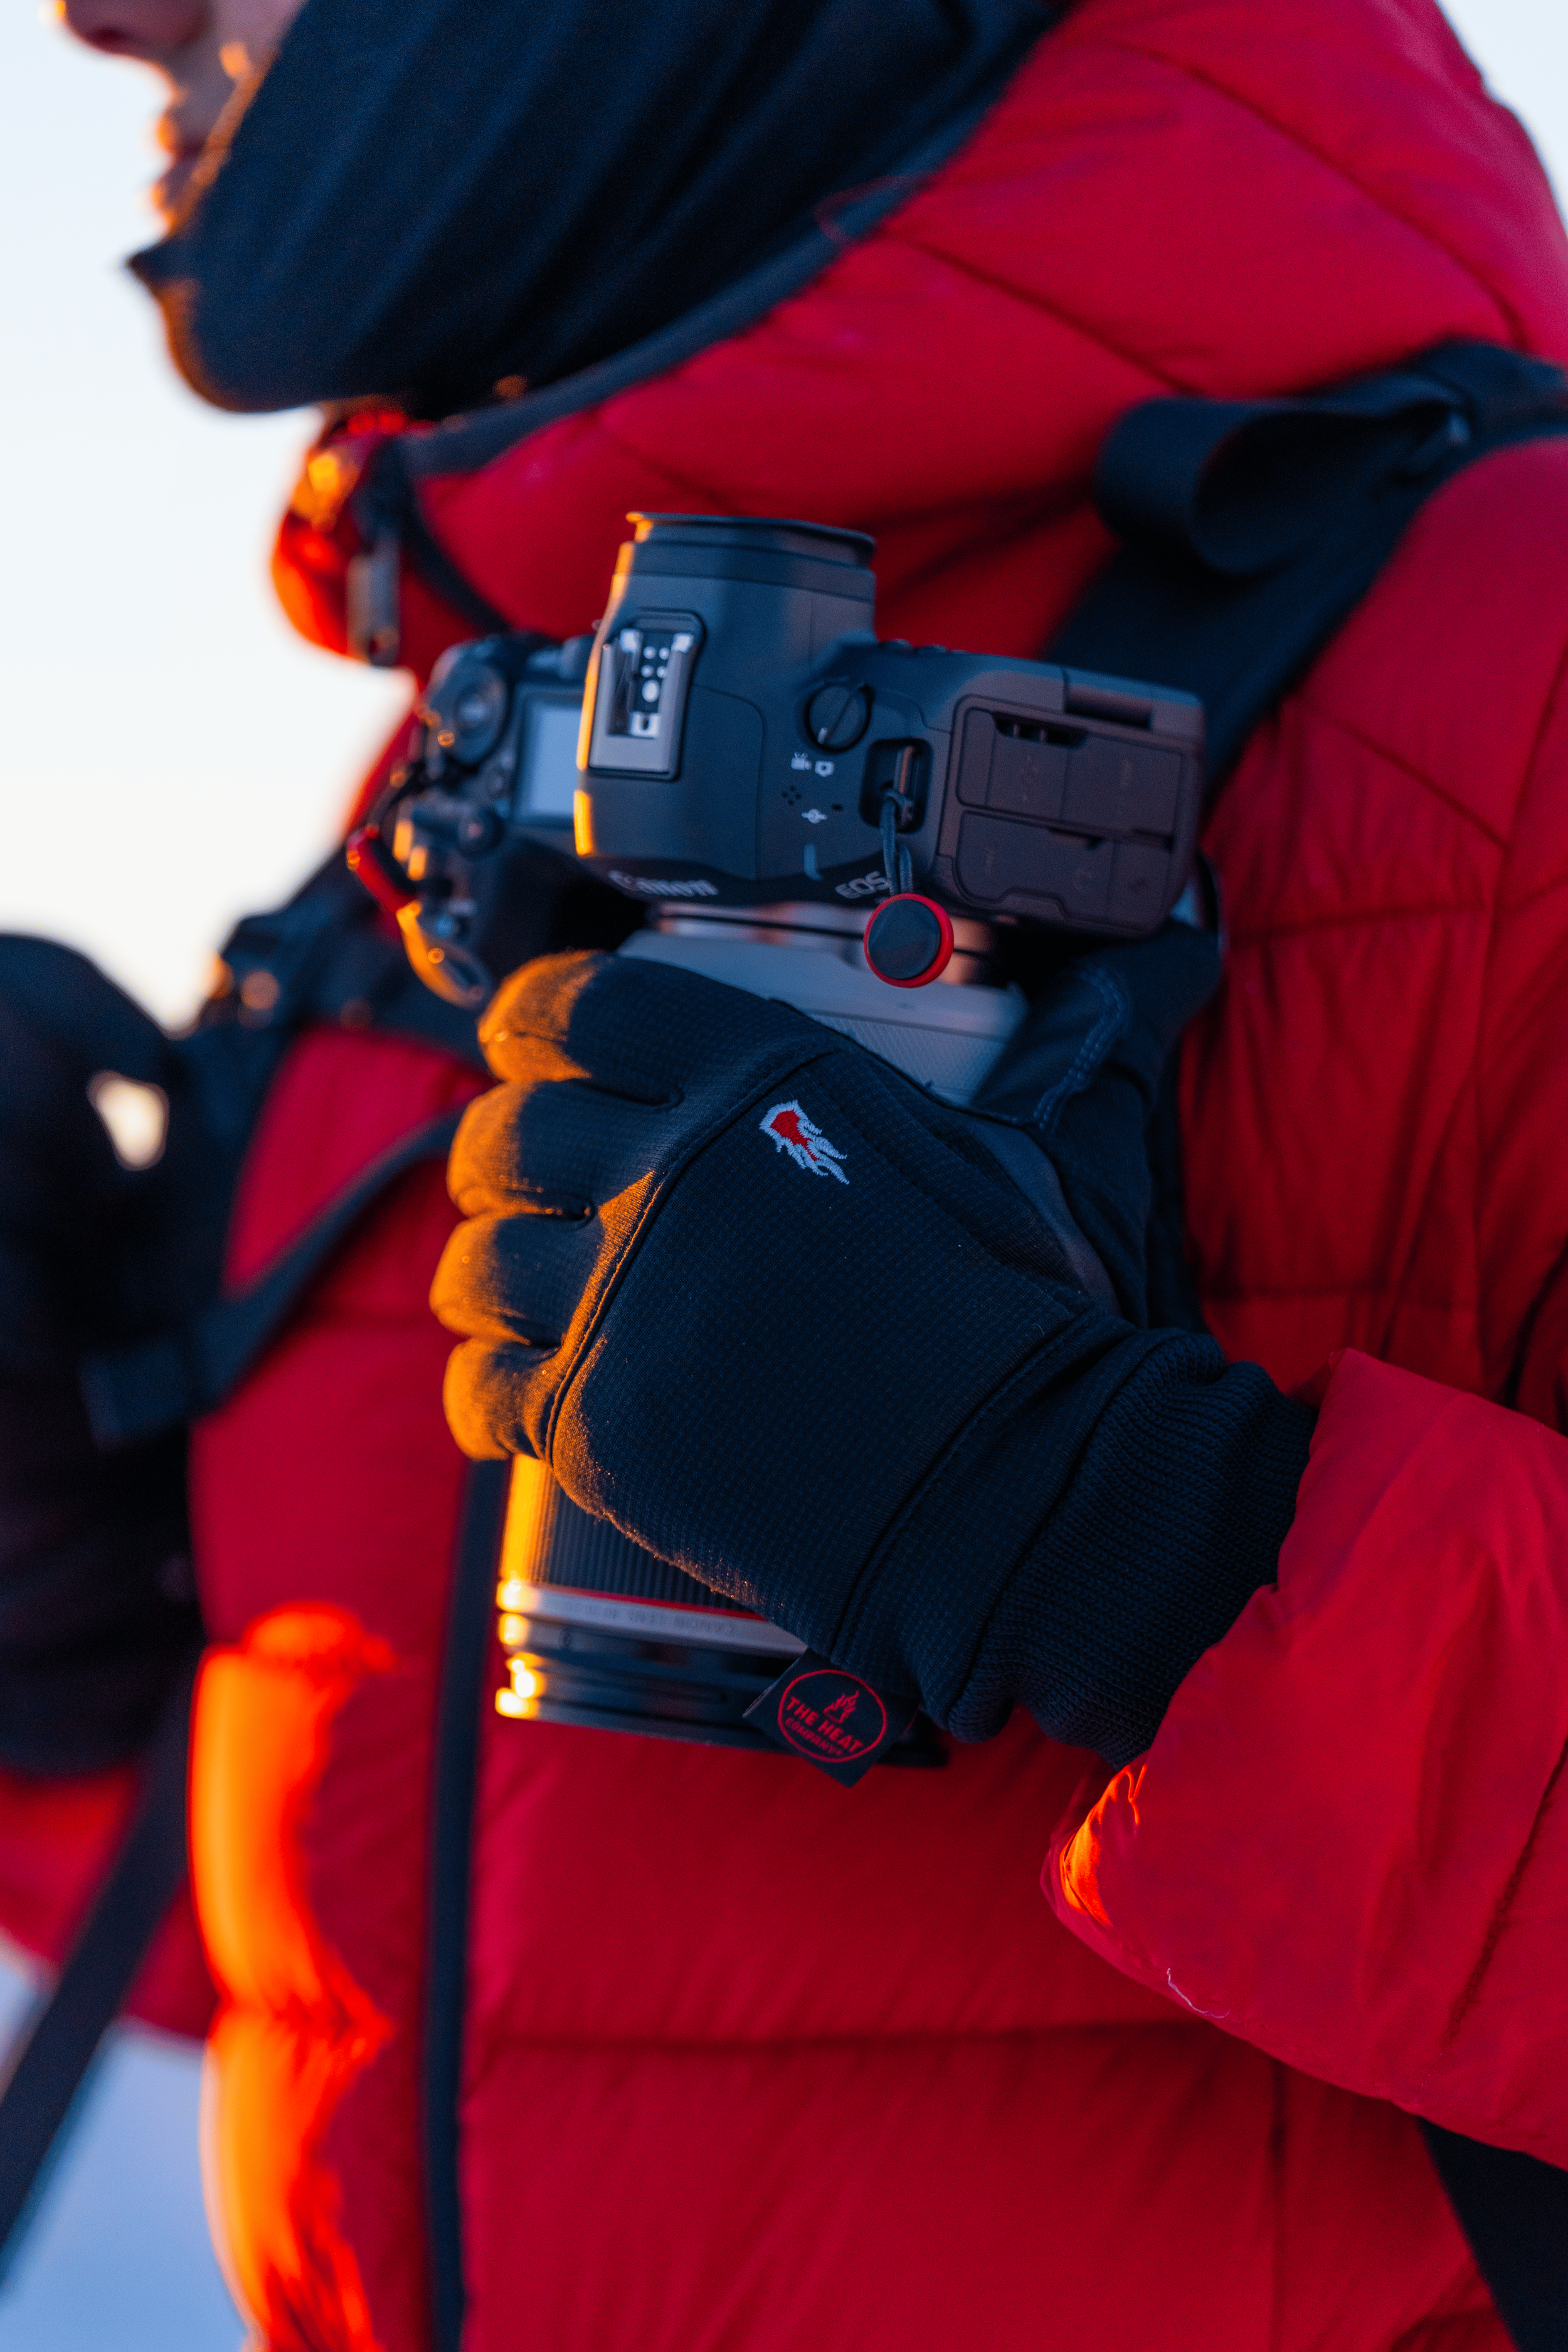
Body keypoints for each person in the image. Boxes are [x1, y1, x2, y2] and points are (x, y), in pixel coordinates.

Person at [16, 0, 1568, 2346]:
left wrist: (1126, 1544)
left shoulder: (1518, 669)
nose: (84, 13)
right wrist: (55, 1610)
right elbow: (505, 1992)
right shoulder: (463, 800)